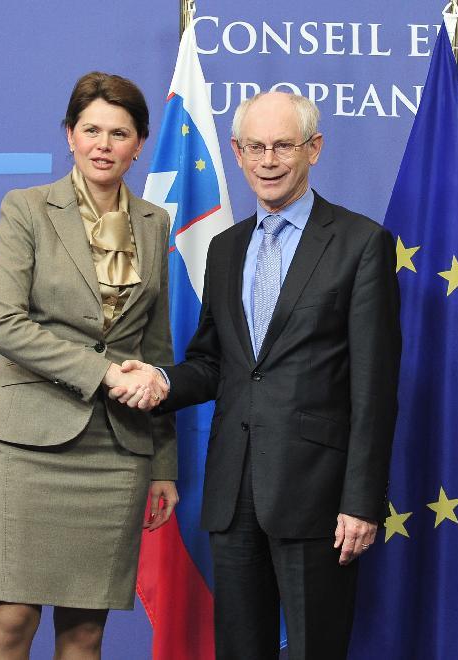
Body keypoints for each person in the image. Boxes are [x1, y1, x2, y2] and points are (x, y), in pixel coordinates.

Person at [113, 92, 401, 660]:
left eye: (283, 146)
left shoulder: (361, 243)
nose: (268, 160)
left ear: (313, 149)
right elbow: (215, 364)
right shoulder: (225, 248)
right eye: (255, 148)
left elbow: (375, 386)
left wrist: (361, 501)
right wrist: (162, 382)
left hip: (319, 496)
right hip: (232, 492)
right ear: (237, 154)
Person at [0, 71, 176, 660]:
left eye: (119, 133)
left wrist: (163, 464)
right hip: (24, 445)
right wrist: (104, 373)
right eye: (91, 130)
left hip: (116, 453)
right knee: (10, 622)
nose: (103, 145)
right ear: (70, 135)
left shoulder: (155, 224)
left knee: (85, 633)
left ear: (138, 144)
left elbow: (154, 351)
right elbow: (4, 324)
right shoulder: (27, 209)